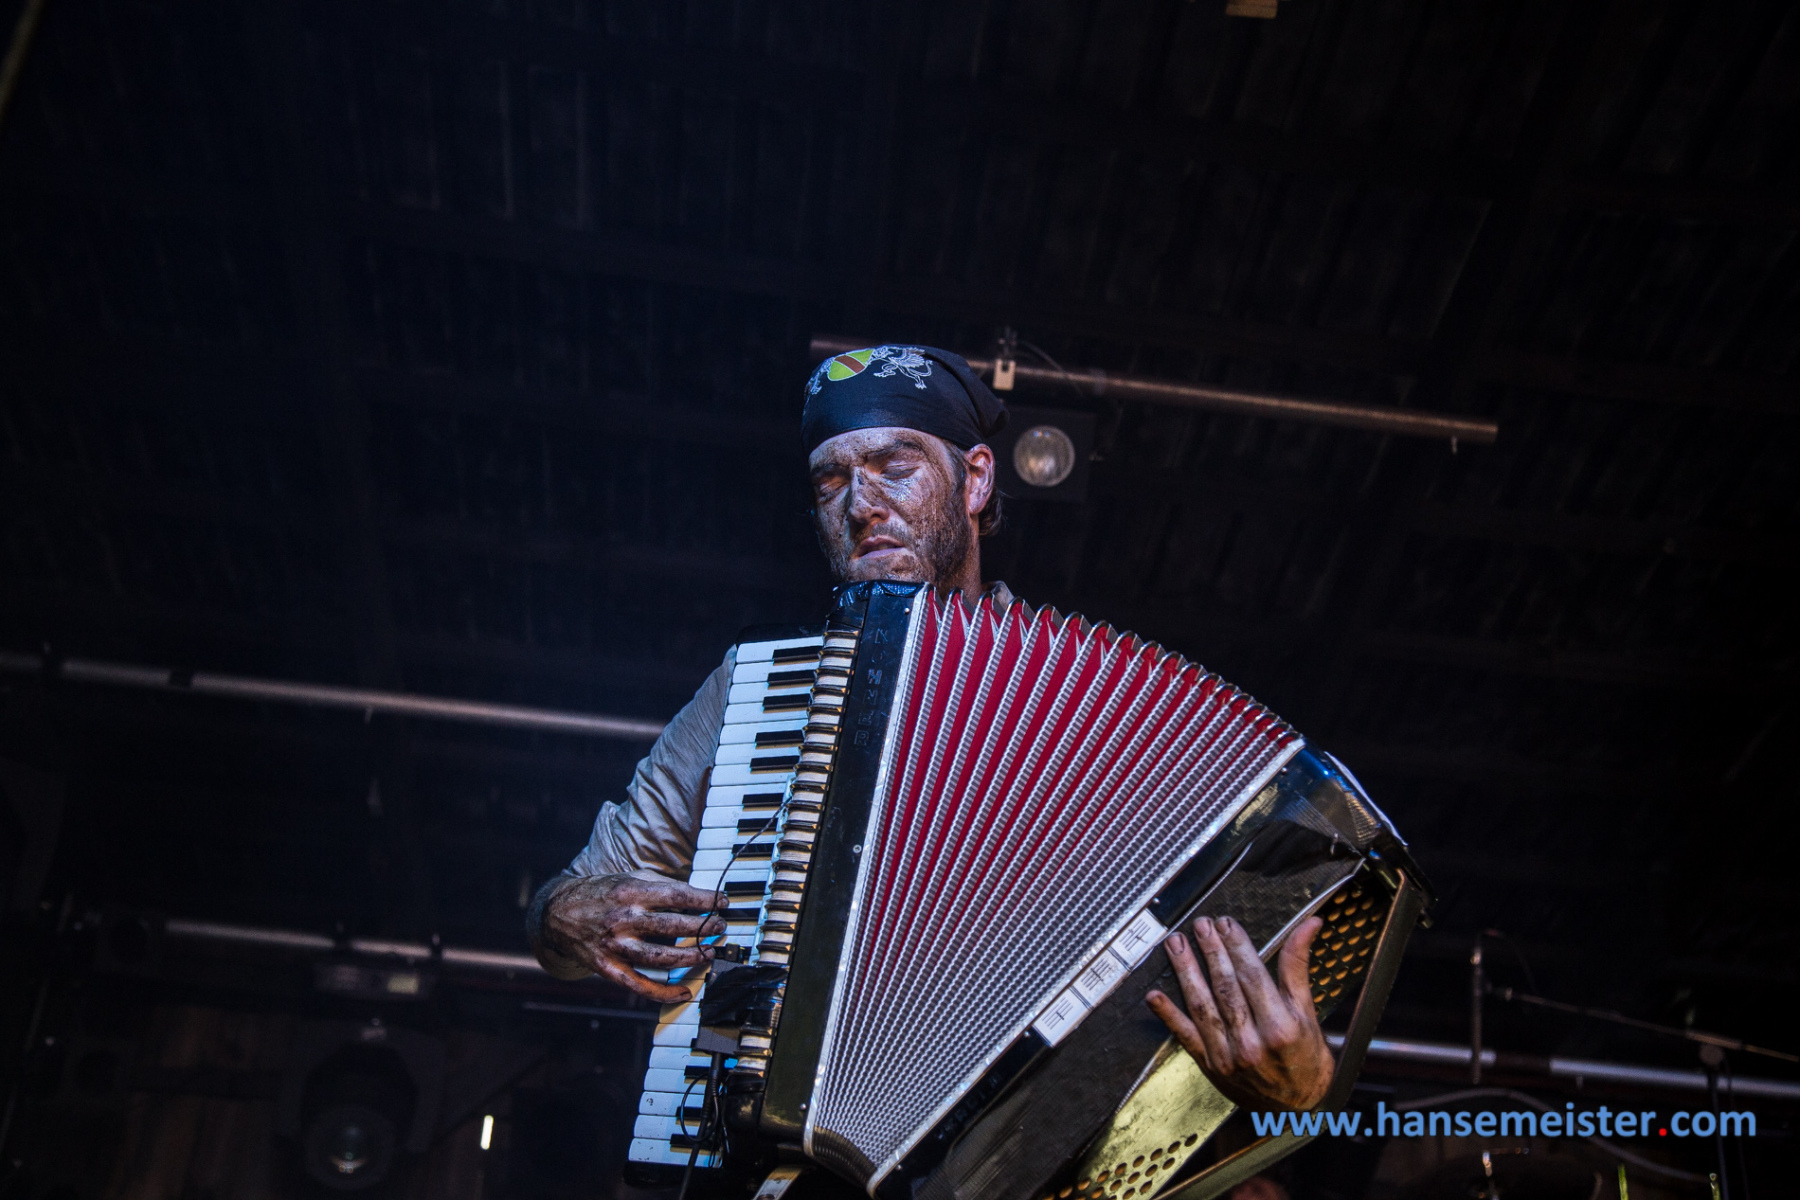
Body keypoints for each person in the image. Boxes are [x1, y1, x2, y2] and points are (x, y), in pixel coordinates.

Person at [527, 344, 1334, 1112]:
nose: (861, 505)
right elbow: (570, 911)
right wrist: (561, 916)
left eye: (895, 467)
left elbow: (1237, 984)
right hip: (779, 1153)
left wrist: (1303, 1088)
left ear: (976, 481)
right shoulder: (756, 697)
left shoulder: (1097, 697)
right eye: (831, 481)